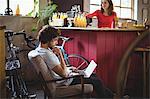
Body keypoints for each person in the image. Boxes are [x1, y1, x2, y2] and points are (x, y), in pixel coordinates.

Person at [34, 25, 114, 98]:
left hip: (63, 78)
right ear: (49, 40)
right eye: (55, 40)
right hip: (66, 80)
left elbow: (58, 70)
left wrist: (70, 69)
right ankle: (110, 97)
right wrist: (60, 54)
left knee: (93, 75)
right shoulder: (48, 55)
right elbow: (64, 74)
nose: (57, 43)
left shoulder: (40, 50)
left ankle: (111, 96)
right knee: (97, 81)